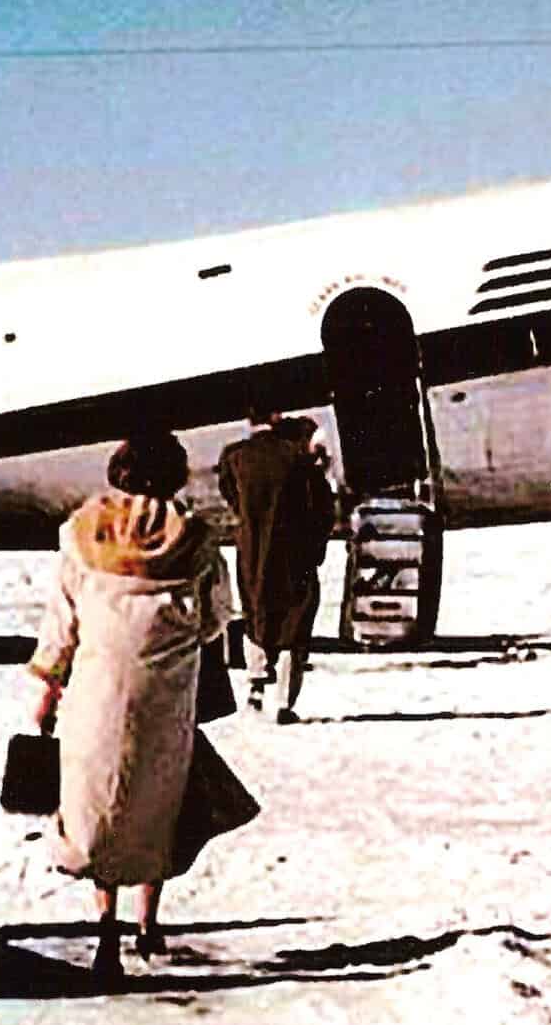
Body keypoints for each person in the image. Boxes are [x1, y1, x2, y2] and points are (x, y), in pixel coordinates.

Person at [29, 432, 233, 978]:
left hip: (95, 691)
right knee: (157, 801)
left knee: (102, 803)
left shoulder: (82, 532)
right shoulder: (198, 540)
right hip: (166, 694)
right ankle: (148, 924)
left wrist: (48, 687)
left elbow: (62, 623)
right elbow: (217, 617)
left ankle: (106, 931)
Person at [217, 411, 337, 723]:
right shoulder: (299, 460)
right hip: (295, 553)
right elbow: (323, 509)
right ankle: (283, 703)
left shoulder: (235, 456)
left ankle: (255, 687)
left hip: (252, 550)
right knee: (294, 623)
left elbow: (230, 495)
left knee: (255, 616)